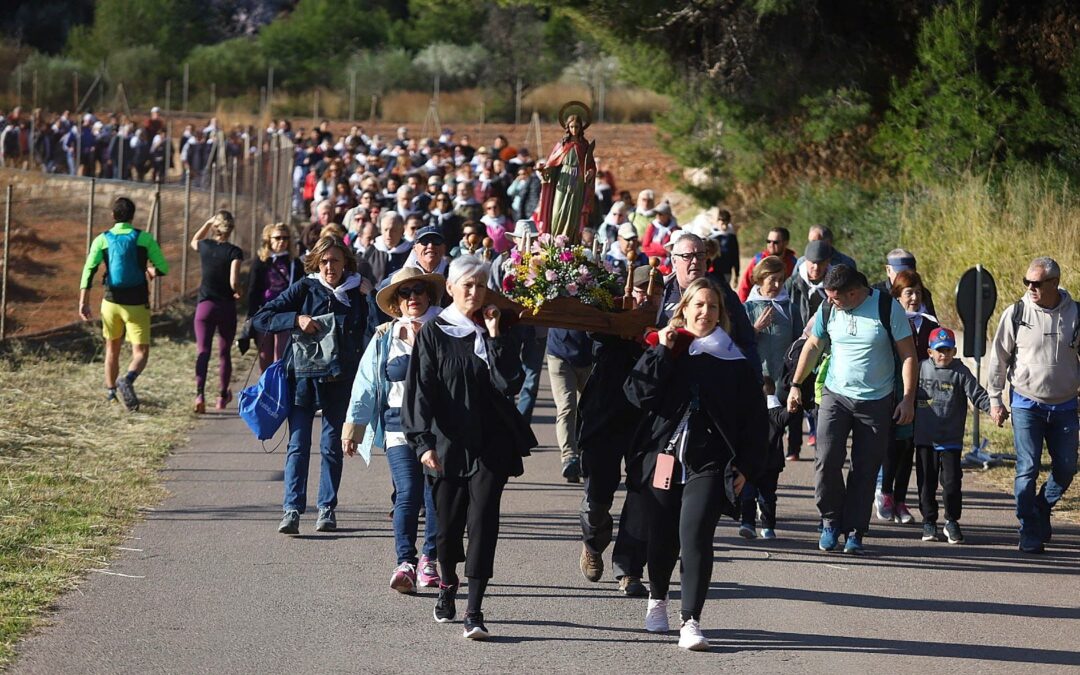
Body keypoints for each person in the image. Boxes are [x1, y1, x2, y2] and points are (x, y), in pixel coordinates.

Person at [625, 277, 768, 651]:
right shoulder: (667, 348)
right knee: (662, 535)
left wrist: (747, 466)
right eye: (699, 305)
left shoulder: (734, 360)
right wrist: (662, 351)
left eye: (713, 306)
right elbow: (636, 394)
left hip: (710, 463)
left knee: (696, 537)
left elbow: (756, 421)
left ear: (722, 315)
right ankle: (658, 598)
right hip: (665, 459)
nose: (706, 312)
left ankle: (690, 621)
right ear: (684, 309)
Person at [402, 255, 538, 640]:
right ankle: (448, 584)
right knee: (447, 530)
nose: (475, 292)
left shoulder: (497, 328)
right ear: (450, 288)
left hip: (491, 443)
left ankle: (474, 610)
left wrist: (494, 336)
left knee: (483, 523)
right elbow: (419, 390)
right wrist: (422, 442)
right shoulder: (434, 332)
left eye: (481, 285)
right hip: (447, 443)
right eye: (468, 285)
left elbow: (510, 382)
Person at [786, 264, 917, 554]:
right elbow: (814, 345)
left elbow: (908, 355)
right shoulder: (828, 308)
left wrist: (908, 399)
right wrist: (796, 384)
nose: (830, 302)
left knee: (865, 469)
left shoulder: (887, 307)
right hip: (835, 396)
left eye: (835, 298)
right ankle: (830, 520)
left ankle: (855, 530)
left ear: (854, 292)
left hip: (877, 401)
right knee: (826, 460)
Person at [253, 237, 371, 535]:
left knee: (332, 446)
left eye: (335, 260)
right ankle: (291, 510)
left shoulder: (357, 290)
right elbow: (262, 317)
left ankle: (326, 509)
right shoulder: (305, 287)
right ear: (317, 263)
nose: (330, 267)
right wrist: (297, 319)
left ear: (346, 263)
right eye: (324, 261)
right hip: (303, 379)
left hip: (340, 380)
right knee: (298, 445)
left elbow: (377, 326)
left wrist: (371, 296)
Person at [344, 267, 445, 593]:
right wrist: (353, 429)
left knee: (435, 494)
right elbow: (366, 383)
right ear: (397, 302)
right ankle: (405, 563)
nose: (413, 297)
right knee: (407, 492)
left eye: (418, 290)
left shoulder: (446, 328)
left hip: (438, 428)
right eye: (405, 292)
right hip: (398, 426)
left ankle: (429, 559)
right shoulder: (384, 337)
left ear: (429, 295)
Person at [986, 256, 1079, 554]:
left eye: (1036, 283)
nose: (1030, 287)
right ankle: (1028, 528)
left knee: (1067, 467)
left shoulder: (1075, 313)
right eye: (1027, 282)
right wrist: (995, 399)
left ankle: (1041, 506)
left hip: (1065, 405)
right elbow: (999, 357)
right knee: (1027, 468)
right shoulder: (1016, 312)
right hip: (1026, 403)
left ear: (1054, 282)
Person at [578, 265, 653, 597]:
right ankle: (593, 544)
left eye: (653, 292)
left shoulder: (666, 324)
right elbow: (592, 331)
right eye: (639, 290)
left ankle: (629, 570)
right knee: (597, 500)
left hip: (647, 421)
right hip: (603, 418)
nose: (645, 297)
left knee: (643, 496)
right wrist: (623, 325)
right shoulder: (608, 318)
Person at [79, 197, 169, 411]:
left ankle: (111, 394)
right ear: (132, 216)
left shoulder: (102, 239)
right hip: (137, 303)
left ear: (113, 215)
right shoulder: (144, 238)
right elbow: (163, 268)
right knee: (141, 352)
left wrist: (84, 301)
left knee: (112, 349)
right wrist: (150, 270)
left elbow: (89, 270)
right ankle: (127, 379)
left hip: (111, 302)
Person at [914, 327, 991, 544]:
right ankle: (929, 521)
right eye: (939, 351)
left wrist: (993, 409)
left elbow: (977, 394)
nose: (944, 355)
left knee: (952, 483)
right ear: (930, 352)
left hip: (950, 439)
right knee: (926, 483)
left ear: (954, 351)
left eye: (948, 350)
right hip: (925, 438)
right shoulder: (921, 368)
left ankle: (951, 521)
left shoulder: (960, 371)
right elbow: (907, 393)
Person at [876, 269, 940, 524]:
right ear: (897, 296)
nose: (914, 298)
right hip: (891, 391)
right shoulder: (889, 322)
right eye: (908, 293)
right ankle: (885, 493)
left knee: (907, 448)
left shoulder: (931, 324)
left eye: (918, 292)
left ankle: (901, 501)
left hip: (922, 395)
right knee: (890, 446)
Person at [656, 232, 761, 375]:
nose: (695, 261)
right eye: (687, 256)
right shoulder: (661, 291)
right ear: (674, 261)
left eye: (700, 255)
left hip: (716, 375)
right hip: (672, 375)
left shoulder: (723, 291)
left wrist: (754, 377)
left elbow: (746, 339)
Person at [745, 256, 800, 459]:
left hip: (783, 380)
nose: (777, 285)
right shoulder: (747, 308)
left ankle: (791, 450)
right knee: (759, 431)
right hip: (758, 381)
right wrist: (755, 329)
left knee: (780, 427)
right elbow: (737, 344)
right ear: (760, 279)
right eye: (772, 280)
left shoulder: (791, 309)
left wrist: (795, 377)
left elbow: (799, 344)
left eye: (781, 280)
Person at [189, 211, 243, 413]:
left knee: (203, 350)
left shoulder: (205, 246)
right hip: (226, 306)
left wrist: (207, 222)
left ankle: (199, 394)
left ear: (215, 227)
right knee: (224, 352)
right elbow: (233, 281)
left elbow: (194, 240)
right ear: (231, 229)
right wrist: (239, 291)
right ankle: (221, 396)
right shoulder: (234, 252)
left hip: (205, 306)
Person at [739, 376, 792, 539]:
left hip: (751, 462)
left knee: (748, 494)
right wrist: (792, 406)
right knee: (767, 497)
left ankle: (748, 523)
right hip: (771, 463)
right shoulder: (777, 412)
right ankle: (767, 527)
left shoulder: (750, 411)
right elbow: (788, 416)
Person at [246, 224, 304, 371]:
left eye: (285, 238)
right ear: (269, 239)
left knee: (281, 359)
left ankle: (278, 384)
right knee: (265, 357)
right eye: (278, 238)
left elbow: (300, 289)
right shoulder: (261, 261)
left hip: (285, 314)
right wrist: (251, 315)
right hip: (265, 313)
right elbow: (253, 290)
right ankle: (265, 384)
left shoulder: (294, 263)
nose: (282, 241)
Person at [536, 112, 596, 242]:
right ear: (567, 127)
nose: (574, 130)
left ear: (581, 128)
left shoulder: (584, 145)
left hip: (578, 181)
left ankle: (570, 241)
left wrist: (590, 172)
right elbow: (552, 163)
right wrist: (545, 170)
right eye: (571, 126)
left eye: (577, 127)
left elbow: (590, 164)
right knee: (557, 210)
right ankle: (555, 240)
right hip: (563, 179)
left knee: (573, 212)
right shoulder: (562, 144)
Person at [546, 328, 593, 483]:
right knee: (566, 407)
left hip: (591, 354)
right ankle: (569, 457)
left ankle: (585, 455)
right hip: (560, 352)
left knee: (589, 409)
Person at [736, 227, 797, 302]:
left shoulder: (793, 263)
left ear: (785, 243)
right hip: (759, 304)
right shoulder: (759, 260)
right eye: (768, 241)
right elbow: (745, 286)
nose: (771, 244)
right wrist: (742, 306)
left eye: (775, 242)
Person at [871, 249, 936, 317]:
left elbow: (932, 321)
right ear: (888, 270)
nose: (914, 297)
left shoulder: (923, 293)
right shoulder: (874, 294)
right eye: (900, 274)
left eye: (910, 274)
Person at [363, 210, 411, 284]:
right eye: (385, 230)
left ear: (402, 231)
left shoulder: (410, 252)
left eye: (393, 230)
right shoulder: (371, 251)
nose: (388, 234)